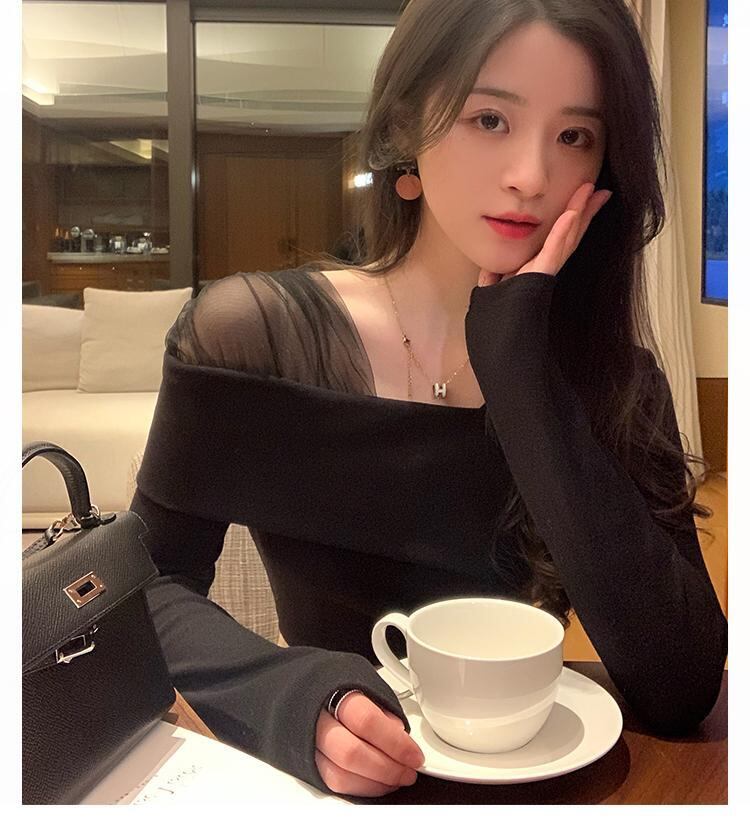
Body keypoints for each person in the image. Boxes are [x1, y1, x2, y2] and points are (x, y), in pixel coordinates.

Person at [131, 0, 728, 800]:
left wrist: (522, 376)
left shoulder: (615, 380)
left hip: (538, 784)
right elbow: (147, 586)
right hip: (328, 793)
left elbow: (681, 687)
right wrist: (292, 698)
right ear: (404, 128)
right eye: (490, 119)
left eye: (574, 136)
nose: (530, 176)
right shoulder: (252, 334)